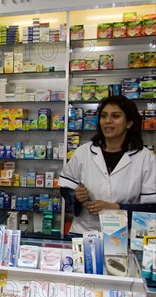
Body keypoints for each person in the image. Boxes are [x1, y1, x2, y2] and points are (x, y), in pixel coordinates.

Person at [59, 96, 156, 233]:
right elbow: (65, 188)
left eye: (115, 116)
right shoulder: (83, 152)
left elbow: (151, 209)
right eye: (104, 116)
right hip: (84, 233)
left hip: (124, 236)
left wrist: (115, 208)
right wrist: (75, 196)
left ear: (129, 122)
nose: (108, 121)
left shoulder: (146, 159)